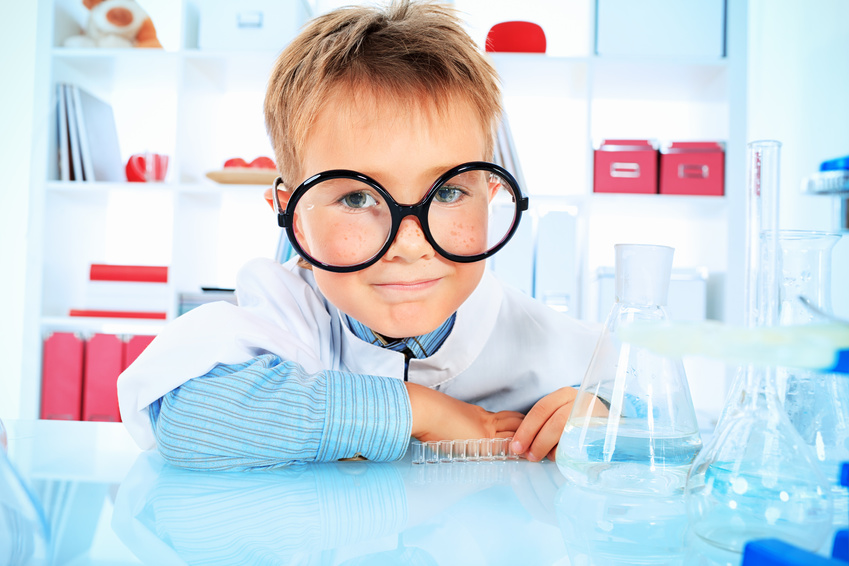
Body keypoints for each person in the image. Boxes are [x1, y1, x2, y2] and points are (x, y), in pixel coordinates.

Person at [117, 0, 600, 471]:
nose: (411, 245)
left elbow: (656, 415)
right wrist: (417, 410)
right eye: (356, 199)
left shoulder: (549, 342)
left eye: (449, 191)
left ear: (490, 195)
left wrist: (607, 422)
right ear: (292, 215)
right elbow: (184, 413)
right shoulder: (285, 312)